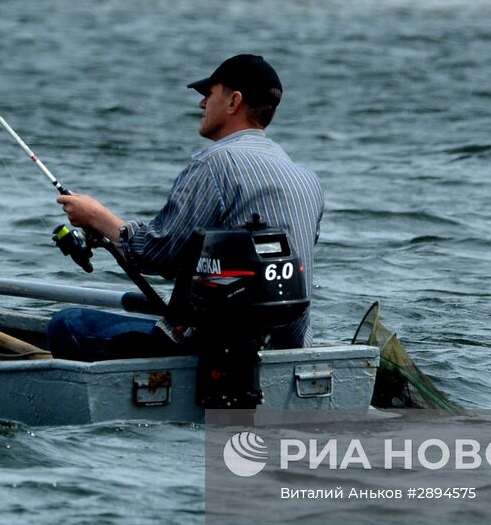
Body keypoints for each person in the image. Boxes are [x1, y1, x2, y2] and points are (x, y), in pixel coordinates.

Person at [47, 54, 323, 361]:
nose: (202, 104)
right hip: (290, 349)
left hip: (210, 349)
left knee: (66, 323)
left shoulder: (215, 164)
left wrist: (96, 216)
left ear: (233, 102)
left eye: (209, 94)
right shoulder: (305, 178)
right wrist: (112, 235)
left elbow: (156, 255)